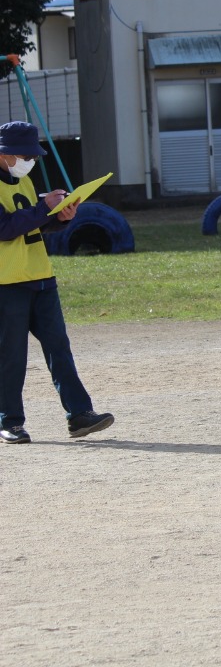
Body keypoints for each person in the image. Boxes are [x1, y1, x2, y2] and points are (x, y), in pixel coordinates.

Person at [0, 121, 115, 444]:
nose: (30, 161)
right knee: (11, 356)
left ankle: (79, 415)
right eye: (24, 155)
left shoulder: (21, 182)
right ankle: (9, 421)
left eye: (33, 156)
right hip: (6, 284)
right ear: (4, 153)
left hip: (40, 279)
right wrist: (43, 209)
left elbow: (32, 227)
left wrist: (58, 216)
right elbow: (5, 228)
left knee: (59, 349)